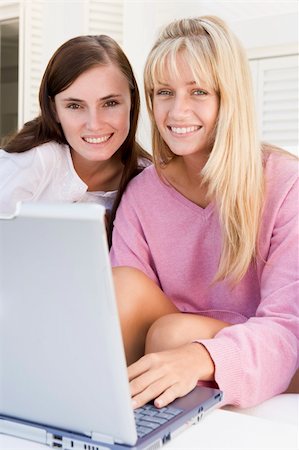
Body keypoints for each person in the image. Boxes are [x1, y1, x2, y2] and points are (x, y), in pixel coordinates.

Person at [110, 16, 299, 410]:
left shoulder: (284, 181)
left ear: (228, 98)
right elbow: (121, 309)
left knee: (172, 334)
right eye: (164, 92)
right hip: (169, 351)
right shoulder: (142, 194)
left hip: (267, 355)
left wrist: (201, 355)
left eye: (198, 91)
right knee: (122, 286)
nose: (177, 112)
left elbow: (287, 326)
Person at [0, 35, 151, 245]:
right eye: (74, 106)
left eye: (110, 103)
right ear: (54, 110)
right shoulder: (35, 161)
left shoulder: (147, 179)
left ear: (132, 102)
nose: (94, 124)